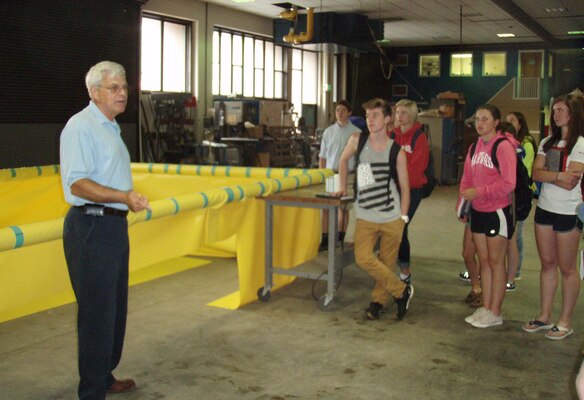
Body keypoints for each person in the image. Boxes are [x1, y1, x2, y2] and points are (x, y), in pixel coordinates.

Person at [60, 61, 151, 399]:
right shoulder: (80, 127)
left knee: (114, 308)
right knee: (97, 313)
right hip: (91, 227)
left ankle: (104, 372)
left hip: (112, 227)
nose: (123, 93)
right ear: (93, 92)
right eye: (114, 87)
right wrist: (123, 196)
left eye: (125, 86)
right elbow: (78, 184)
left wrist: (123, 201)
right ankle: (92, 391)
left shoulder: (109, 126)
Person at [334, 98, 413, 320]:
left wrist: (403, 217)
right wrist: (342, 186)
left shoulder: (396, 151)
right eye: (368, 116)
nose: (370, 120)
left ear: (387, 119)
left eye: (375, 115)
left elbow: (405, 187)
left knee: (387, 262)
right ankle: (401, 291)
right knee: (363, 258)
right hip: (366, 215)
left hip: (391, 216)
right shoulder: (357, 141)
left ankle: (378, 301)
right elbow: (343, 162)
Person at [522, 93, 584, 340]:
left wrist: (551, 174)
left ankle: (565, 320)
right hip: (545, 210)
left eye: (561, 110)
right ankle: (544, 315)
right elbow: (535, 174)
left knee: (568, 268)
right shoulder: (547, 142)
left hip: (568, 212)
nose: (556, 114)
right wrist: (556, 175)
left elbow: (572, 181)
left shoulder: (581, 143)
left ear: (573, 113)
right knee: (547, 264)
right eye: (554, 110)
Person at [458, 104, 517, 328]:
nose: (479, 123)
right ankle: (486, 307)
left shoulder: (503, 147)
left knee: (495, 262)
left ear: (496, 122)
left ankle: (495, 310)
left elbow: (509, 183)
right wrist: (462, 205)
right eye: (477, 119)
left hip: (497, 211)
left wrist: (480, 193)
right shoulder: (474, 148)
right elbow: (466, 178)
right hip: (478, 211)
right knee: (484, 262)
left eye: (485, 119)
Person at [388, 99, 429, 283]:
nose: (400, 116)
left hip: (412, 190)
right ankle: (393, 262)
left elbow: (416, 168)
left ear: (412, 115)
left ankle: (404, 269)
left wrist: (398, 182)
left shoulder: (418, 137)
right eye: (397, 112)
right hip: (393, 190)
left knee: (400, 225)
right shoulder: (392, 136)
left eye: (404, 113)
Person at [318, 100, 361, 250]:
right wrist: (321, 175)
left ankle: (339, 238)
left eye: (343, 110)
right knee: (326, 207)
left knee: (343, 208)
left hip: (347, 175)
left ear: (349, 112)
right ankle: (324, 239)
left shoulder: (356, 132)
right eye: (337, 110)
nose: (340, 113)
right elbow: (322, 156)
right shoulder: (328, 132)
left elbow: (360, 158)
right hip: (330, 174)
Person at [504, 111, 537, 285]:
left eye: (512, 121)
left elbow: (524, 171)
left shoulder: (526, 144)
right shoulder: (504, 143)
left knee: (516, 236)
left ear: (521, 123)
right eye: (506, 120)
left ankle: (515, 271)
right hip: (507, 195)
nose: (508, 123)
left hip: (521, 195)